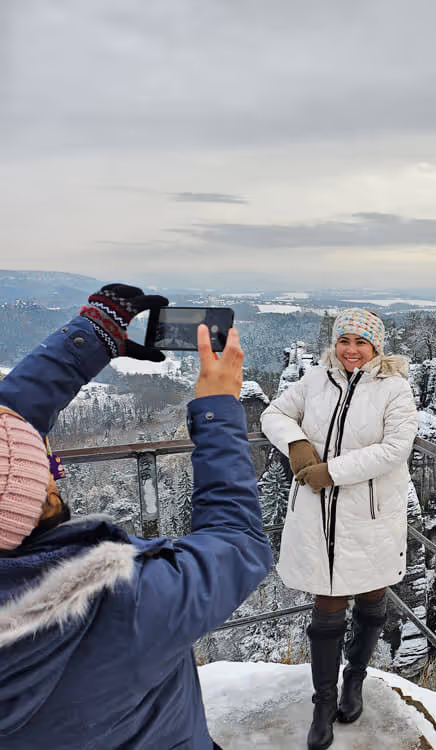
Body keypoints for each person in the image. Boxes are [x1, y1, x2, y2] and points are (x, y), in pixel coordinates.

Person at [0, 284, 272, 749]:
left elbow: (11, 447)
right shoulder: (124, 604)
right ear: (33, 501)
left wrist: (90, 338)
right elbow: (237, 541)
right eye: (44, 469)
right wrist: (218, 410)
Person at [261, 308, 418, 750]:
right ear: (335, 344)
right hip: (317, 515)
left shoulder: (395, 389)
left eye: (360, 343)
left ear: (376, 348)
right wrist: (295, 442)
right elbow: (273, 414)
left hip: (369, 514)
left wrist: (332, 471)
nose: (351, 350)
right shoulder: (315, 380)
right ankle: (323, 703)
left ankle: (355, 681)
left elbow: (394, 450)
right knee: (327, 607)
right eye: (344, 341)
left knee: (371, 600)